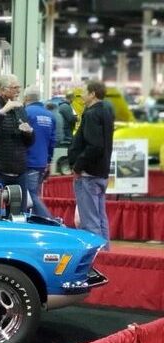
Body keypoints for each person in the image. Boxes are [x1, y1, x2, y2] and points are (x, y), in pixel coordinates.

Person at [68, 80, 114, 247]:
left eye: (85, 92)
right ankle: (106, 253)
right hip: (101, 171)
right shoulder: (107, 110)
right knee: (100, 217)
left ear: (93, 93)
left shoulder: (92, 114)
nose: (82, 96)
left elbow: (94, 145)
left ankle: (97, 258)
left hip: (88, 173)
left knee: (90, 220)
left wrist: (78, 166)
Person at [0, 74, 35, 210]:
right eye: (14, 87)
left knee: (19, 214)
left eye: (18, 87)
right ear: (2, 90)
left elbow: (28, 143)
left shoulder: (20, 109)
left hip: (20, 172)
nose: (18, 90)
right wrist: (2, 111)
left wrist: (29, 133)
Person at [23, 86, 55, 219]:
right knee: (35, 194)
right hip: (42, 162)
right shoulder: (50, 115)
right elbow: (53, 141)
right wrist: (48, 160)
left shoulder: (26, 113)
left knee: (30, 196)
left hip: (29, 161)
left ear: (25, 98)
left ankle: (50, 221)